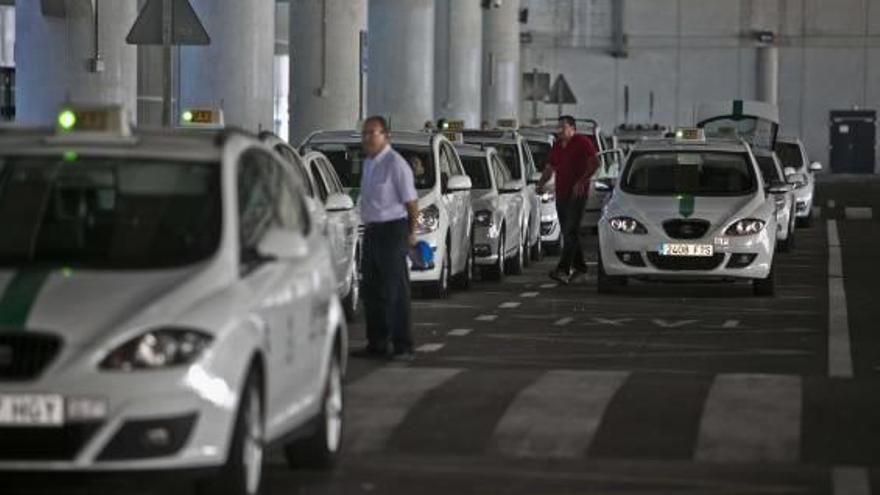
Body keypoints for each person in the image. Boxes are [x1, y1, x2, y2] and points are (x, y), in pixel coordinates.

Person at [353, 116, 419, 360]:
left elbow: (412, 204)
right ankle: (377, 343)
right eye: (365, 133)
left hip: (393, 230)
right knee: (372, 290)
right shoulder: (369, 163)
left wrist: (411, 233)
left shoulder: (396, 164)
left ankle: (403, 345)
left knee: (396, 290)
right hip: (372, 231)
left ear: (386, 136)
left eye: (373, 133)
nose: (368, 138)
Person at [536, 115, 599, 284]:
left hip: (577, 194)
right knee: (569, 232)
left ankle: (563, 269)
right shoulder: (557, 145)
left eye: (563, 127)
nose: (560, 130)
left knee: (571, 230)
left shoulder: (582, 142)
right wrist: (541, 184)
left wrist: (582, 180)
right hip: (561, 193)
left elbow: (595, 163)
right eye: (559, 127)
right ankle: (581, 268)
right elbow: (550, 168)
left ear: (572, 128)